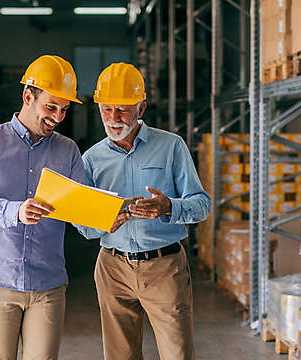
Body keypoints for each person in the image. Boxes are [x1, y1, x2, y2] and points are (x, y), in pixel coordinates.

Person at [76, 62, 211, 360]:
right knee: (120, 356)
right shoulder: (91, 159)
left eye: (123, 110)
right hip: (113, 269)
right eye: (106, 109)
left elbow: (202, 205)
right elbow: (82, 225)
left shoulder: (171, 147)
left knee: (177, 354)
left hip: (164, 267)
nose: (113, 119)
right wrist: (103, 223)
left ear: (141, 108)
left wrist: (169, 207)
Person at [0, 55, 86, 360]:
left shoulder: (67, 150)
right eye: (51, 107)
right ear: (28, 97)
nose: (58, 117)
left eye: (64, 110)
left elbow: (81, 213)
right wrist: (14, 211)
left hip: (47, 283)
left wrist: (108, 219)